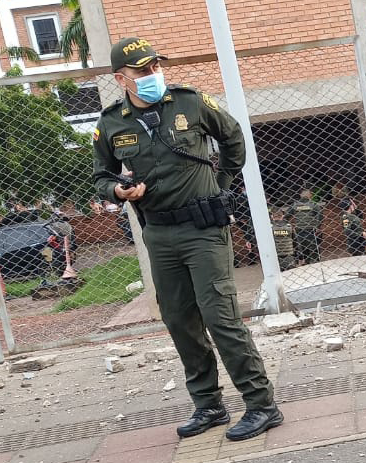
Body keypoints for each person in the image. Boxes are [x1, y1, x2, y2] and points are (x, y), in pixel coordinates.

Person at [91, 37, 282, 441]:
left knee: (220, 317)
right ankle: (209, 405)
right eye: (143, 71)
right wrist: (119, 192)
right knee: (179, 319)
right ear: (121, 79)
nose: (154, 76)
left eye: (156, 67)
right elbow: (102, 177)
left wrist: (222, 184)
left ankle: (261, 405)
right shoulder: (111, 123)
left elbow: (233, 138)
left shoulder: (190, 102)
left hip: (203, 229)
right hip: (159, 233)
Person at [284, 189, 325, 266]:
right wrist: (317, 226)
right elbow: (320, 215)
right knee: (313, 247)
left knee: (302, 247)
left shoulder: (295, 205)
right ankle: (315, 262)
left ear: (300, 196)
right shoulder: (313, 204)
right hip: (311, 229)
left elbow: (286, 216)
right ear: (309, 195)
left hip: (299, 230)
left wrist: (288, 226)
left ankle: (307, 261)